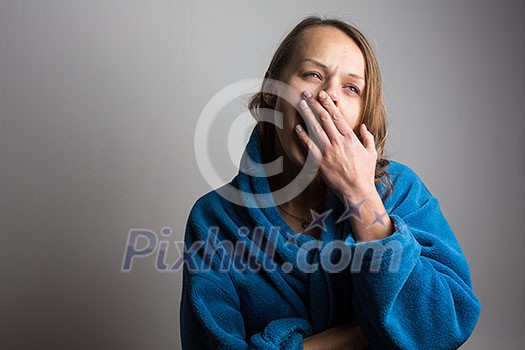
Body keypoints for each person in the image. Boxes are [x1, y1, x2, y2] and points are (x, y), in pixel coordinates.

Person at [180, 16, 481, 349]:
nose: (328, 97)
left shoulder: (400, 191)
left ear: (364, 113)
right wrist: (363, 333)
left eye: (351, 88)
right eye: (313, 75)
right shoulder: (214, 220)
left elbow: (446, 325)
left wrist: (360, 195)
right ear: (271, 93)